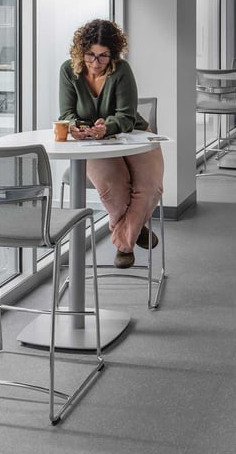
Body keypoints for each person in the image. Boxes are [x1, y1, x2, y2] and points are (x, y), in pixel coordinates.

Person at [59, 19, 163, 269]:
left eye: (103, 56)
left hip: (133, 134)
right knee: (114, 188)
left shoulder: (121, 70)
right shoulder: (68, 71)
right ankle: (132, 236)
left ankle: (124, 237)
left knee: (151, 187)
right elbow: (66, 114)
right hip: (91, 144)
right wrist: (75, 127)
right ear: (80, 51)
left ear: (113, 54)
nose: (96, 63)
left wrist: (108, 128)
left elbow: (127, 115)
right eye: (90, 55)